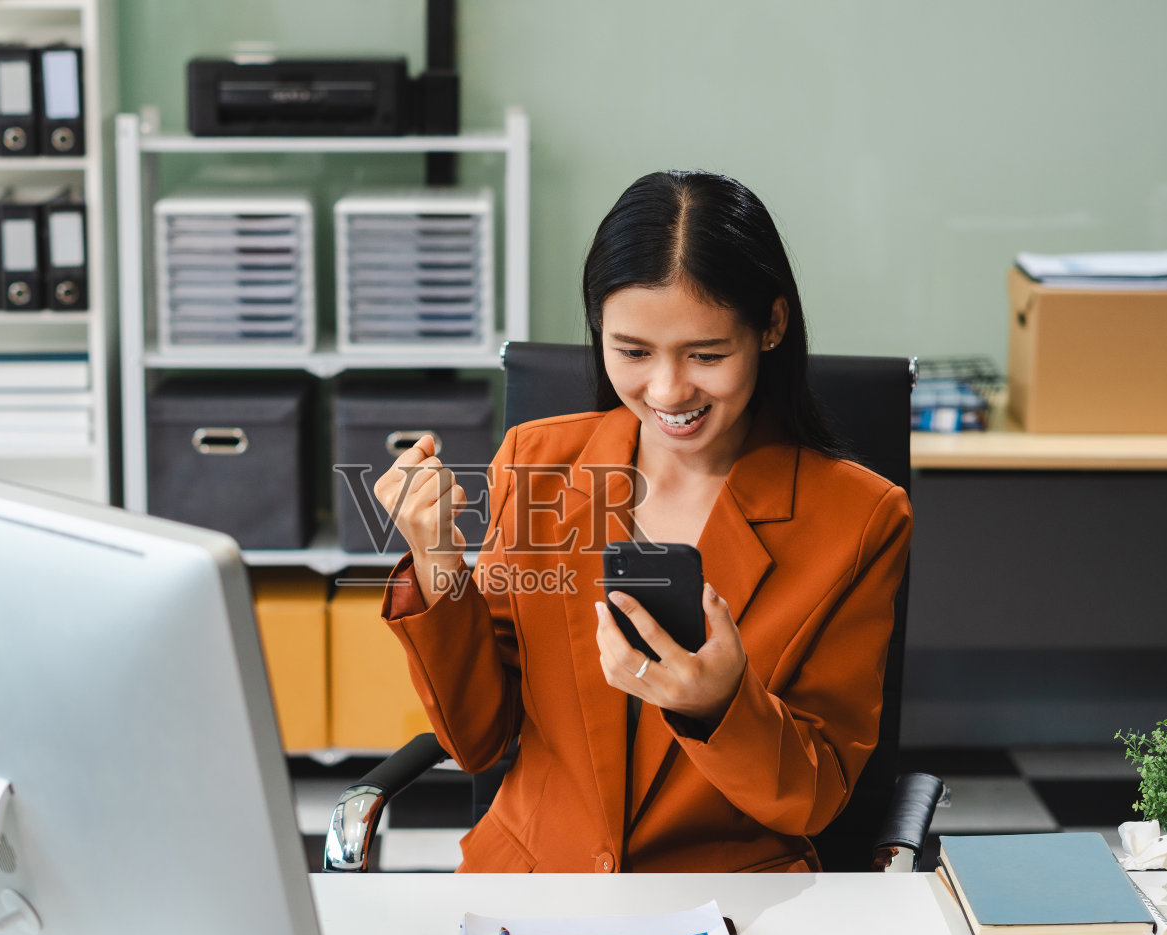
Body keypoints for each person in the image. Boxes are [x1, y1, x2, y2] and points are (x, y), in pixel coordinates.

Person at [374, 170, 912, 873]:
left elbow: (814, 797)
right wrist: (437, 560)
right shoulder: (536, 463)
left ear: (772, 326)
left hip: (730, 899)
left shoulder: (860, 518)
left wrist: (721, 704)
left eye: (707, 355)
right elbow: (478, 739)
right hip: (536, 883)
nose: (667, 390)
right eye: (632, 351)